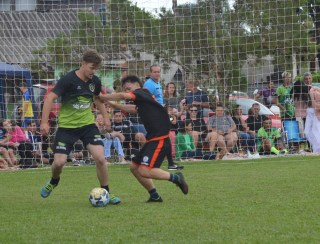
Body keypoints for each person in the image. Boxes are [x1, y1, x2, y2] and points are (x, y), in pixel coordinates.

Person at [39, 49, 121, 204]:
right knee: (59, 163)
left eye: (96, 68)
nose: (93, 71)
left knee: (100, 159)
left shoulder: (94, 81)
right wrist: (44, 122)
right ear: (82, 64)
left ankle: (106, 193)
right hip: (67, 128)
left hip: (87, 125)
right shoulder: (68, 80)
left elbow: (97, 99)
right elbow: (50, 97)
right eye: (91, 67)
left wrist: (106, 117)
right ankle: (54, 181)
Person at [99, 75, 188, 202]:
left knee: (145, 170)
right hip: (152, 138)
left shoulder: (141, 92)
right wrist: (111, 104)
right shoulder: (143, 99)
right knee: (134, 168)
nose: (126, 91)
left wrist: (103, 97)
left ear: (135, 84)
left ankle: (176, 178)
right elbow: (133, 109)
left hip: (160, 138)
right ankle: (154, 195)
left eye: (127, 88)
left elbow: (124, 96)